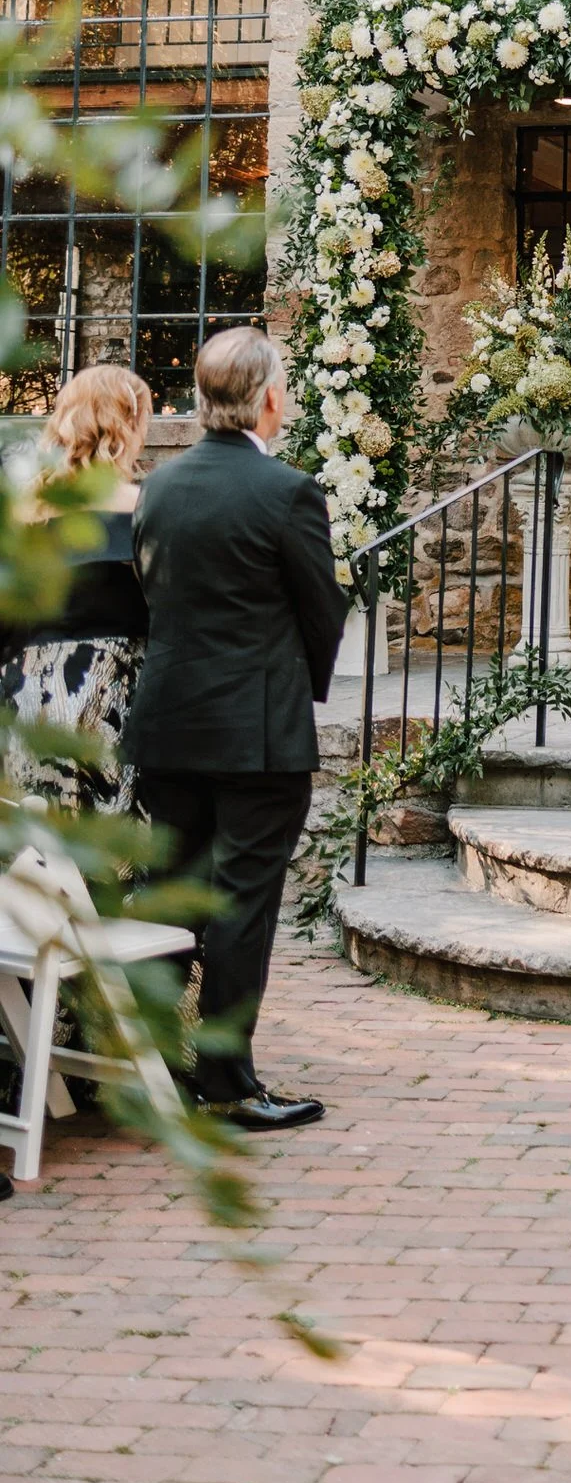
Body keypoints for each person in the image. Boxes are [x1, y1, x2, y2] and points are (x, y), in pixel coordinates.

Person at [126, 327, 348, 1130]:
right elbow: (322, 614)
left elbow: (149, 593)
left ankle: (147, 1067)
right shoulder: (288, 492)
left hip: (169, 722)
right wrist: (299, 685)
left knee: (168, 897)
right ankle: (226, 1082)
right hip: (256, 735)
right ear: (268, 399)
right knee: (242, 907)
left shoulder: (160, 484)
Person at [0, 365, 153, 813]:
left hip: (28, 693)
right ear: (127, 425)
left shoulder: (23, 510)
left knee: (45, 846)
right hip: (111, 694)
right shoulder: (144, 507)